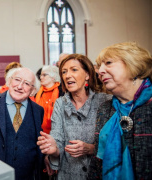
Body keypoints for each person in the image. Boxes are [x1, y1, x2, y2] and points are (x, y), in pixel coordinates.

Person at [37, 54, 112, 179]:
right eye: (64, 72)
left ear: (87, 75)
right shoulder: (60, 103)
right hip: (67, 174)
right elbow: (58, 139)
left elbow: (117, 144)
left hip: (99, 173)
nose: (67, 75)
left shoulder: (105, 101)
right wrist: (53, 148)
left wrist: (91, 149)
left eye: (74, 70)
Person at [89, 42, 152, 180]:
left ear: (133, 64)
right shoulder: (105, 109)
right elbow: (96, 163)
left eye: (108, 63)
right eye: (99, 67)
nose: (100, 71)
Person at [0, 67, 44, 180]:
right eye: (17, 80)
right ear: (9, 81)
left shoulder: (38, 110)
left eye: (26, 83)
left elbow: (37, 146)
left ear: (32, 90)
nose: (20, 86)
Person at [35, 65, 61, 134]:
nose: (41, 77)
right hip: (39, 132)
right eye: (41, 75)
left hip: (57, 133)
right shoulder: (37, 92)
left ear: (53, 77)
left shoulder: (62, 92)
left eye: (44, 75)